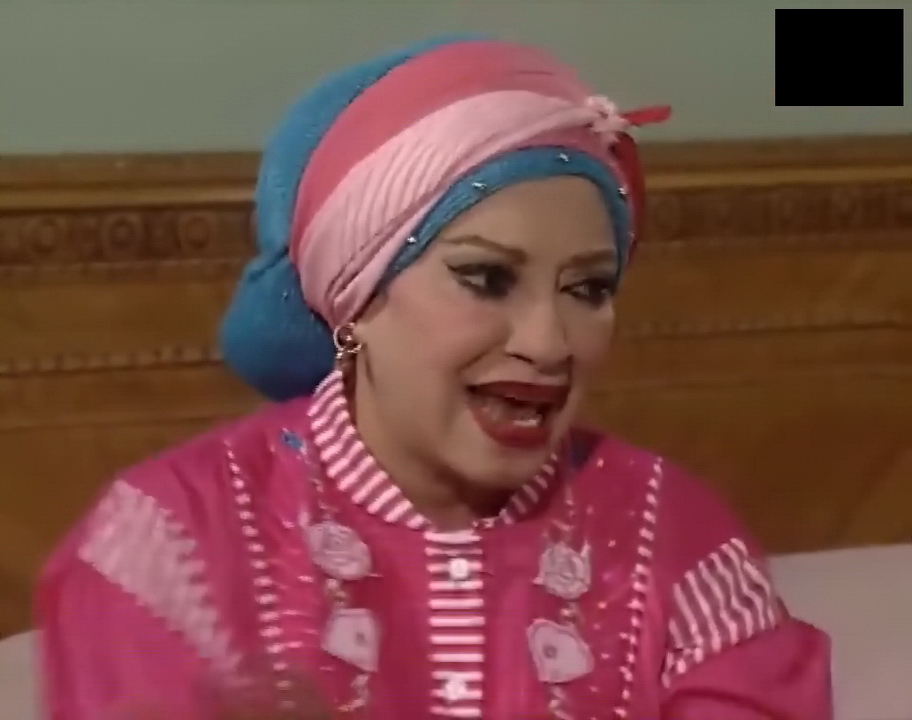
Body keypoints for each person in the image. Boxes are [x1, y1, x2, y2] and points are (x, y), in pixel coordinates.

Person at [36, 36, 832, 720]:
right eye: (486, 278)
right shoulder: (164, 545)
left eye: (588, 288)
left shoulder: (679, 541)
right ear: (354, 298)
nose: (547, 342)